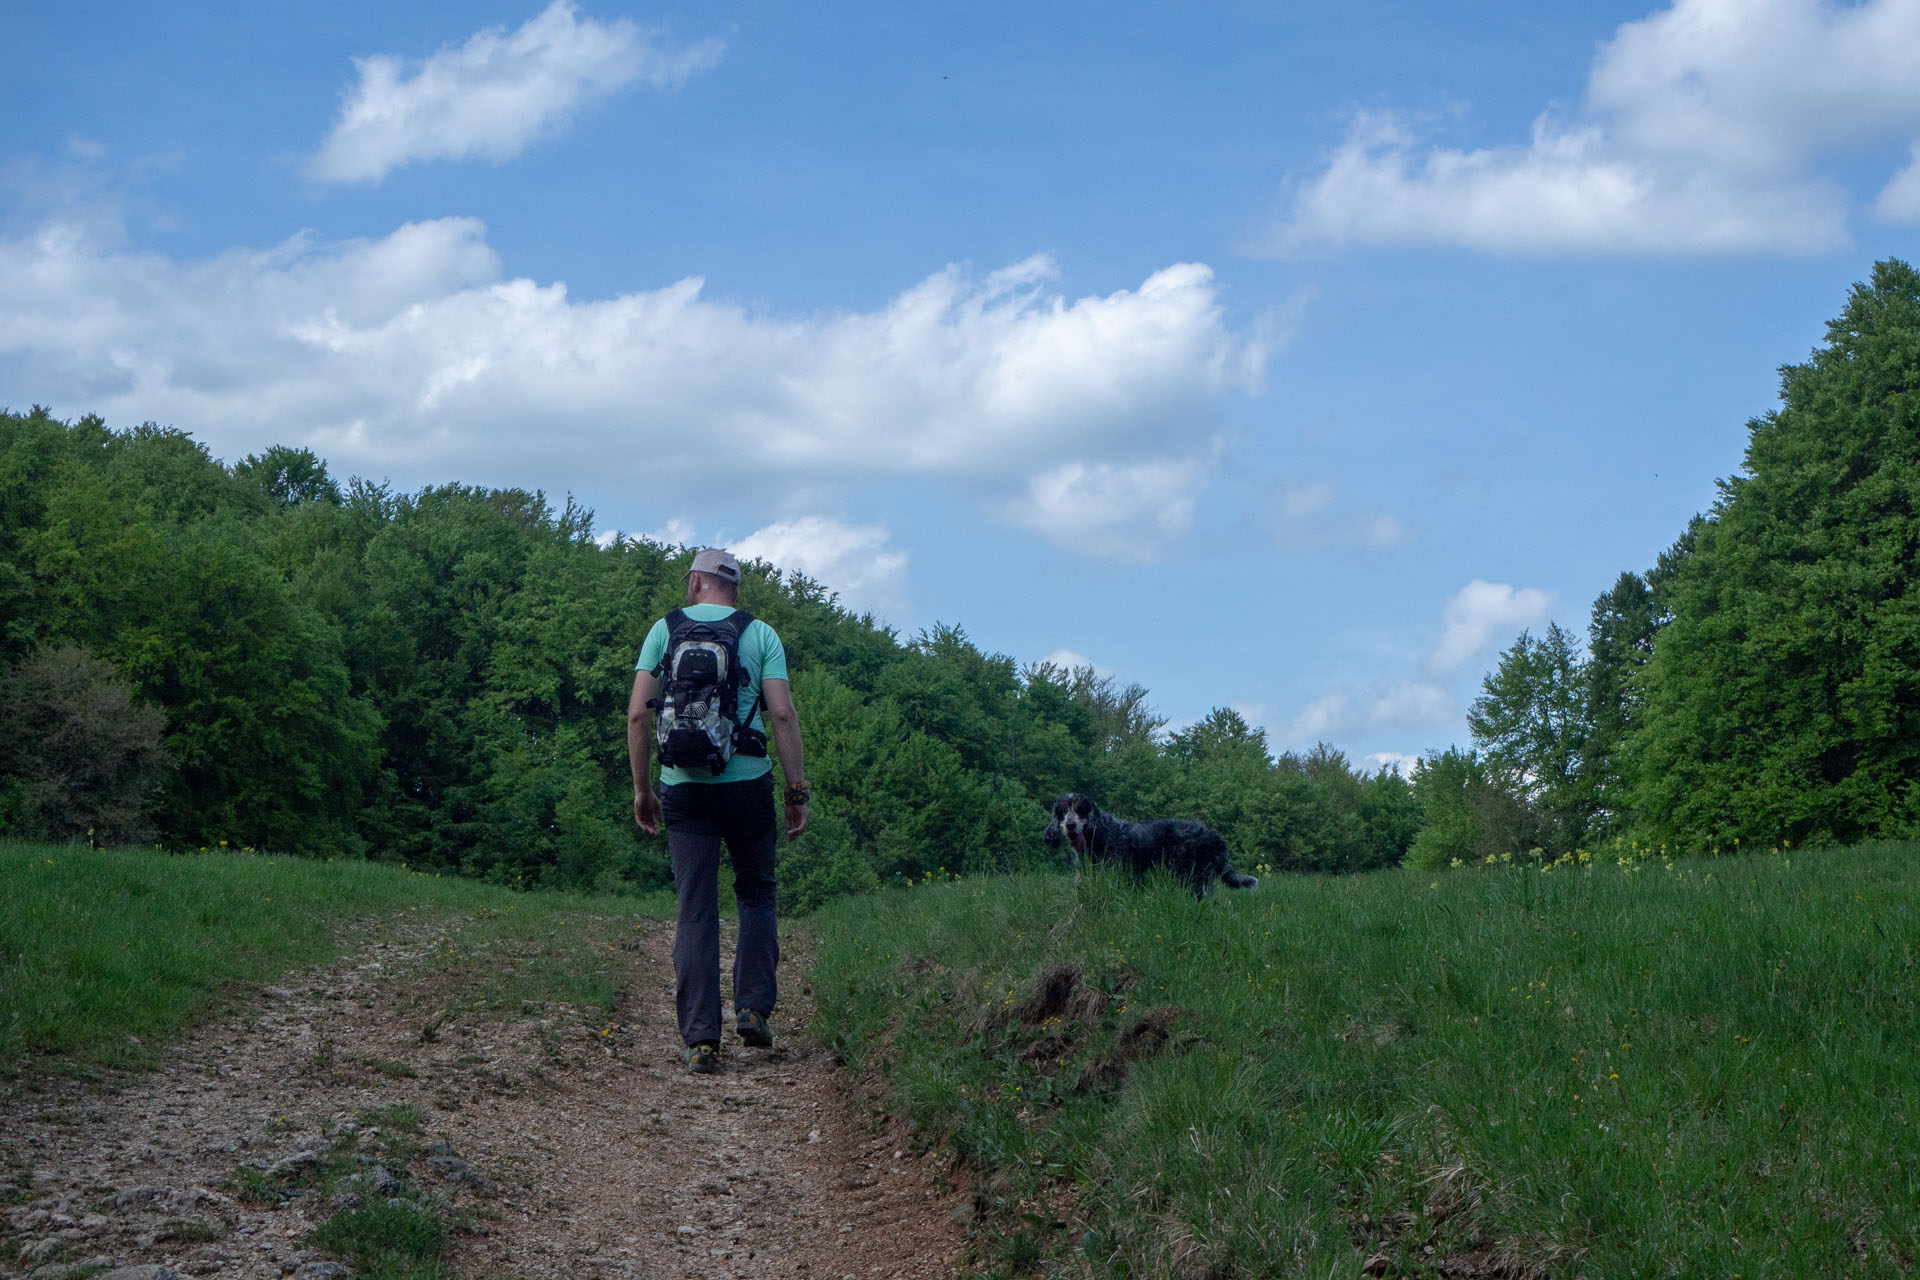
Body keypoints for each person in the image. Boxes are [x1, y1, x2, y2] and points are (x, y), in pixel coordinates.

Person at [628, 548, 809, 1074]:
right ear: (735, 587)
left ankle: (701, 1040)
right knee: (756, 894)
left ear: (695, 582)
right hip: (747, 784)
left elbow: (639, 715)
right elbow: (781, 712)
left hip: (682, 788)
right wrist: (796, 791)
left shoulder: (665, 630)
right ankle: (752, 1007)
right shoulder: (761, 635)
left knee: (696, 909)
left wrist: (644, 790)